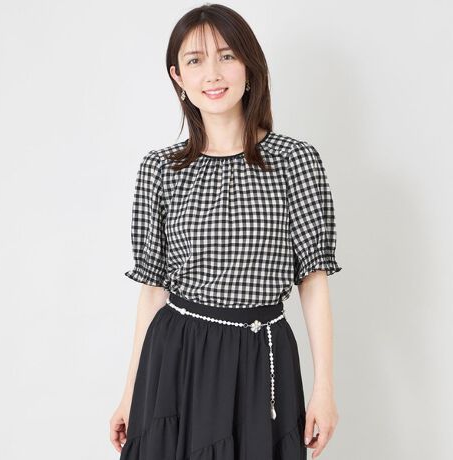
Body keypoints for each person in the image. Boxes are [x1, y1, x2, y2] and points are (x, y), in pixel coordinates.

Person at [110, 4, 342, 459]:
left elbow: (313, 281)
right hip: (178, 358)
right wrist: (130, 394)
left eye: (227, 56)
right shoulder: (160, 169)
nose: (212, 74)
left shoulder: (295, 161)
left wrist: (325, 388)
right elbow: (152, 293)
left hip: (262, 357)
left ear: (249, 67)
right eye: (195, 60)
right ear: (178, 77)